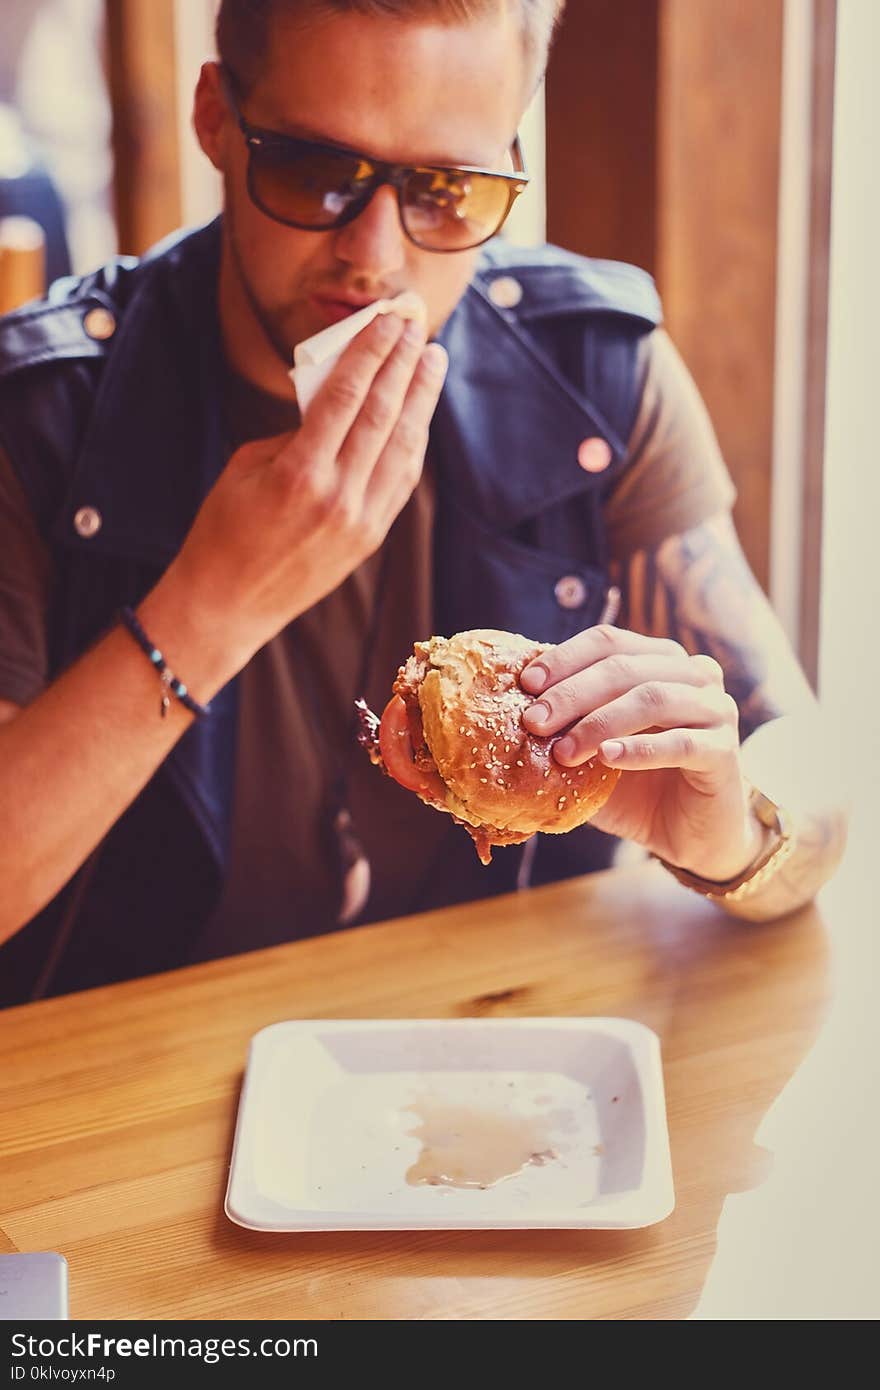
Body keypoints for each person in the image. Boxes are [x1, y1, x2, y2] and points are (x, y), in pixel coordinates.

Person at [0, 0, 847, 1007]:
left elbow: (805, 760)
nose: (376, 254)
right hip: (128, 1082)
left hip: (503, 1057)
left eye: (446, 190)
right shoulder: (42, 417)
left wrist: (732, 838)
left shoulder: (596, 376)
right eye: (315, 170)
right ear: (216, 119)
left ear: (509, 162)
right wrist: (212, 605)